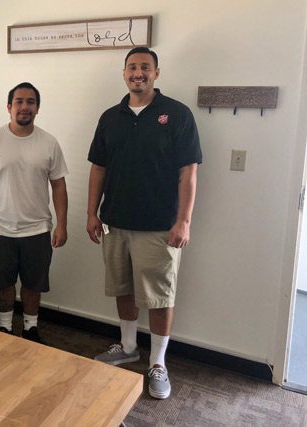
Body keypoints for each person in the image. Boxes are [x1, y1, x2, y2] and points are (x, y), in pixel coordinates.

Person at [86, 47, 202, 399]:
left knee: (159, 296)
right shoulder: (110, 117)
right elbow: (98, 168)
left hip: (159, 227)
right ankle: (128, 346)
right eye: (132, 67)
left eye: (145, 67)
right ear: (124, 73)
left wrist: (184, 220)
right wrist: (92, 212)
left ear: (156, 73)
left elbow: (188, 173)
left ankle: (158, 363)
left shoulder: (177, 114)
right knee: (123, 287)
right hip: (115, 222)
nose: (138, 72)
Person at [0, 82, 68, 343]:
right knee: (3, 284)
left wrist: (62, 225)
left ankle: (30, 328)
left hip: (37, 229)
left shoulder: (49, 143)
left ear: (37, 108)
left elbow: (59, 186)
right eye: (19, 101)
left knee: (32, 283)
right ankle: (4, 328)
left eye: (30, 102)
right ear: (9, 107)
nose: (24, 106)